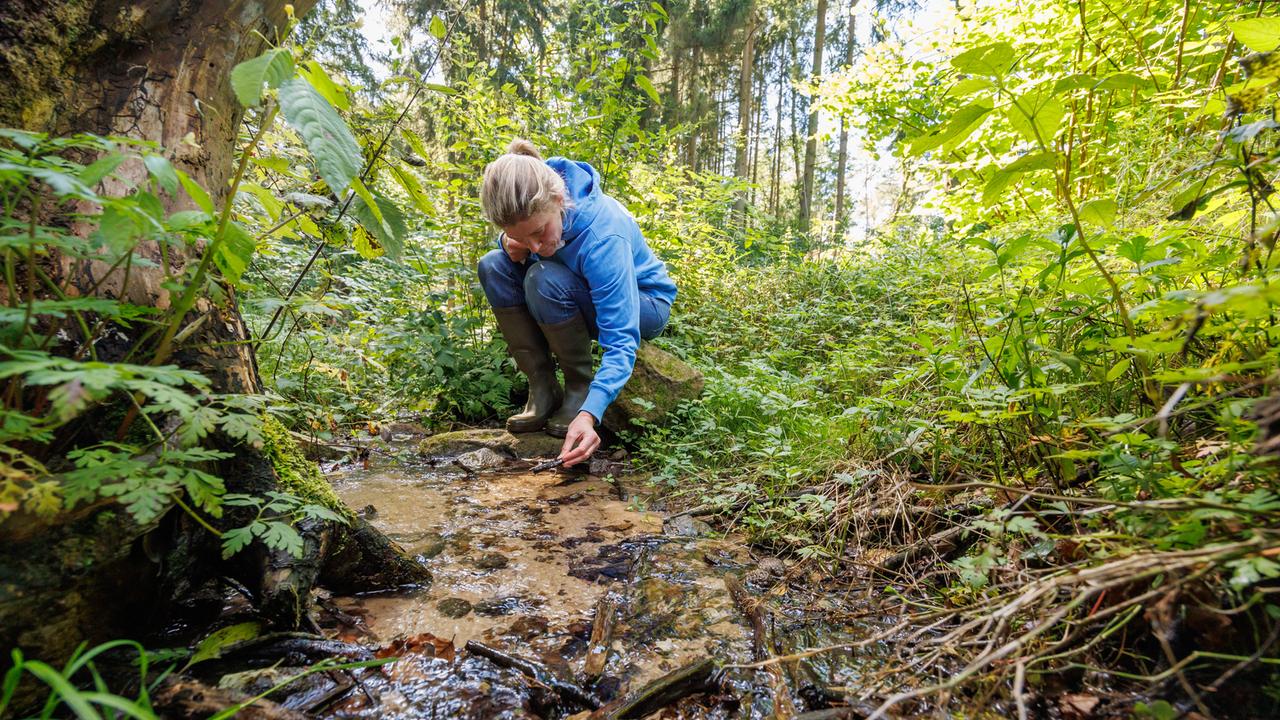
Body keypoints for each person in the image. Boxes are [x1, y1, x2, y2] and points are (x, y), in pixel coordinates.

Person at [477, 139, 677, 467]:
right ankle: (542, 387)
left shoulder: (603, 235)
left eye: (540, 233)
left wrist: (590, 413)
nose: (535, 246)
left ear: (559, 200)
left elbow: (621, 342)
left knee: (543, 278)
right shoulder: (538, 209)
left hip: (645, 303)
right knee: (493, 265)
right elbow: (522, 240)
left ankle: (578, 389)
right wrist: (505, 243)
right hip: (579, 287)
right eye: (522, 237)